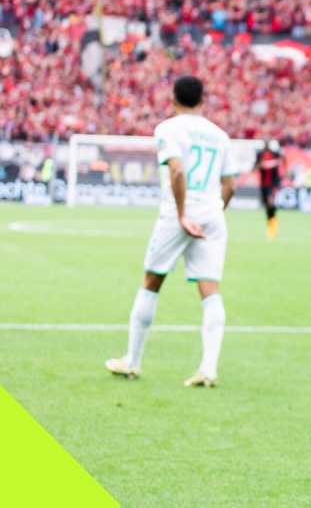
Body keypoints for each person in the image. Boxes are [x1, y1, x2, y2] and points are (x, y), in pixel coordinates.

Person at [105, 76, 236, 388]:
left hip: (179, 213)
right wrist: (214, 212)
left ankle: (132, 361)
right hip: (212, 215)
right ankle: (208, 368)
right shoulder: (220, 136)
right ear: (202, 100)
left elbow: (176, 170)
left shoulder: (168, 128)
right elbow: (229, 185)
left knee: (152, 281)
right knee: (210, 289)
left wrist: (181, 215)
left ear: (174, 100)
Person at [255, 139, 284, 239]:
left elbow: (283, 160)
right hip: (264, 184)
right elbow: (256, 166)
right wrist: (261, 166)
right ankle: (271, 225)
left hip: (273, 183)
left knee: (270, 202)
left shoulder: (275, 154)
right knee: (267, 206)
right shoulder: (260, 154)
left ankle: (272, 228)